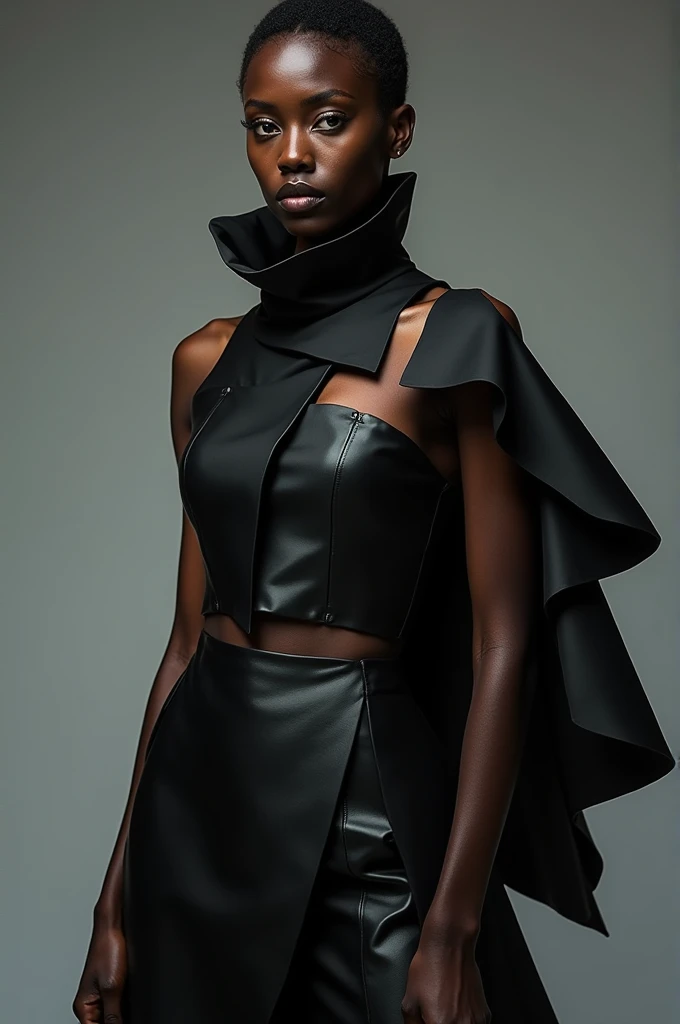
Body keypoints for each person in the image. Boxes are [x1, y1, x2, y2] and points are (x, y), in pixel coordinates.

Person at [72, 2, 674, 1022]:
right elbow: (184, 644)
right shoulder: (203, 360)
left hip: (366, 805)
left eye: (326, 118)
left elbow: (501, 645)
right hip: (196, 806)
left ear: (394, 130)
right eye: (263, 125)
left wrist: (448, 932)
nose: (290, 154)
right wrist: (112, 900)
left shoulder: (456, 338)